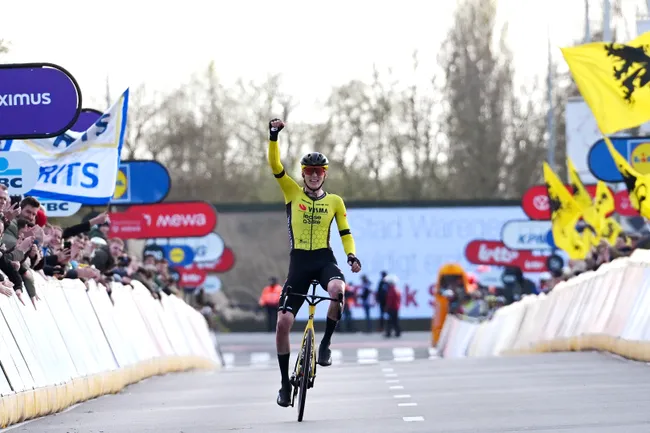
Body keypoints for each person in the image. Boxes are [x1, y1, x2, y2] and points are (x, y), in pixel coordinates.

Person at [267, 118, 362, 408]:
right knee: (283, 323)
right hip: (299, 262)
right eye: (308, 171)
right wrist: (273, 136)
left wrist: (351, 255)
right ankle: (285, 384)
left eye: (318, 172)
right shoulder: (292, 192)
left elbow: (345, 233)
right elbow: (275, 166)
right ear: (303, 174)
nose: (313, 176)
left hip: (324, 258)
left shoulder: (335, 201)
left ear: (325, 175)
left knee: (338, 290)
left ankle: (326, 344)